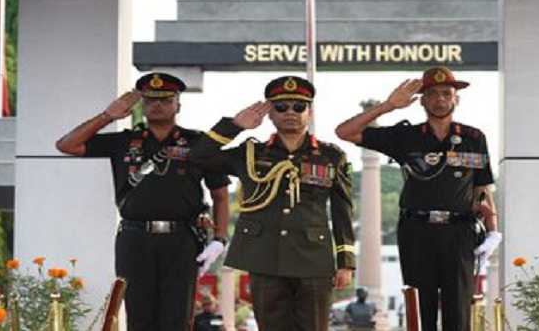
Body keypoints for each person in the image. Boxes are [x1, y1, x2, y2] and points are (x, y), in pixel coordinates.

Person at [55, 73, 230, 331]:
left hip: (181, 239)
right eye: (149, 100)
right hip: (135, 239)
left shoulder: (198, 143)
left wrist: (220, 238)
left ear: (177, 105)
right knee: (139, 317)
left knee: (177, 318)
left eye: (165, 100)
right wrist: (108, 116)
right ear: (142, 105)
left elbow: (220, 194)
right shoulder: (124, 141)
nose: (157, 105)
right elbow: (67, 145)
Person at [335, 66, 502, 331]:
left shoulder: (473, 138)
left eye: (447, 93)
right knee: (419, 307)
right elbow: (345, 132)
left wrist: (494, 233)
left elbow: (482, 189)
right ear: (422, 100)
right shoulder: (406, 136)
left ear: (456, 98)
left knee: (458, 309)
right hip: (417, 232)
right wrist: (388, 106)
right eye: (433, 93)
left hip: (459, 232)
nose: (440, 99)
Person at [189, 76, 356, 331]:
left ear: (309, 112)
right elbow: (198, 157)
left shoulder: (330, 156)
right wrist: (234, 125)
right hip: (265, 257)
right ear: (270, 114)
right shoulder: (251, 153)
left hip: (312, 259)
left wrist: (345, 262)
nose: (290, 112)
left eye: (299, 107)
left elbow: (342, 209)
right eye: (281, 107)